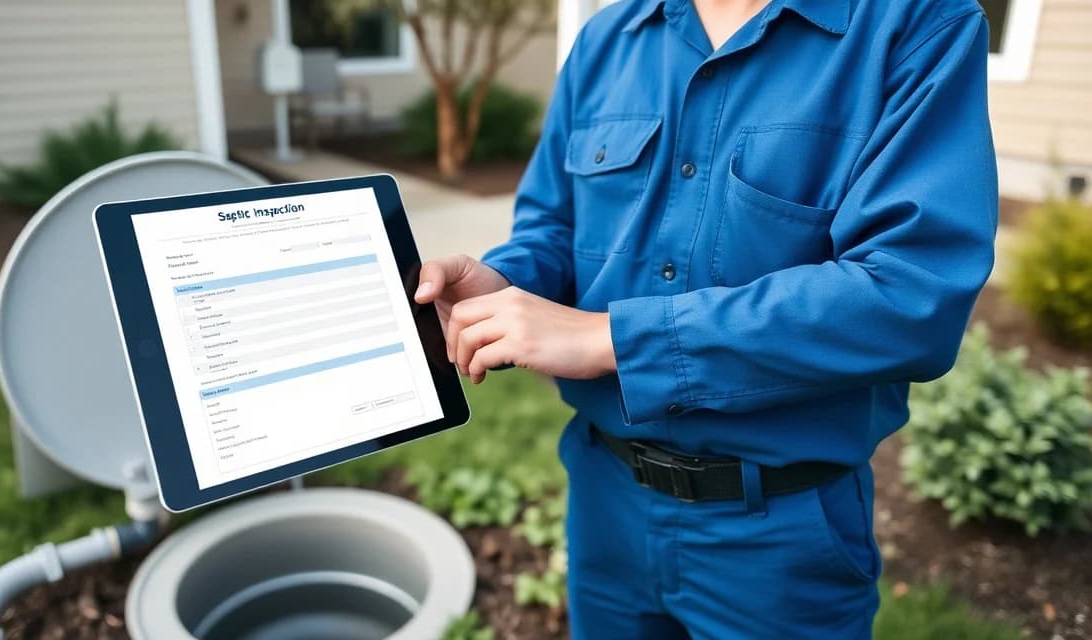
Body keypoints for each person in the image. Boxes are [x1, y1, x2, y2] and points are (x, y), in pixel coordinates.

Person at [414, 0, 998, 636]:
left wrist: (613, 338)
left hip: (778, 538)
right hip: (603, 501)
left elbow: (910, 295)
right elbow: (553, 226)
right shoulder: (606, 40)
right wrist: (505, 283)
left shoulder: (913, 25)